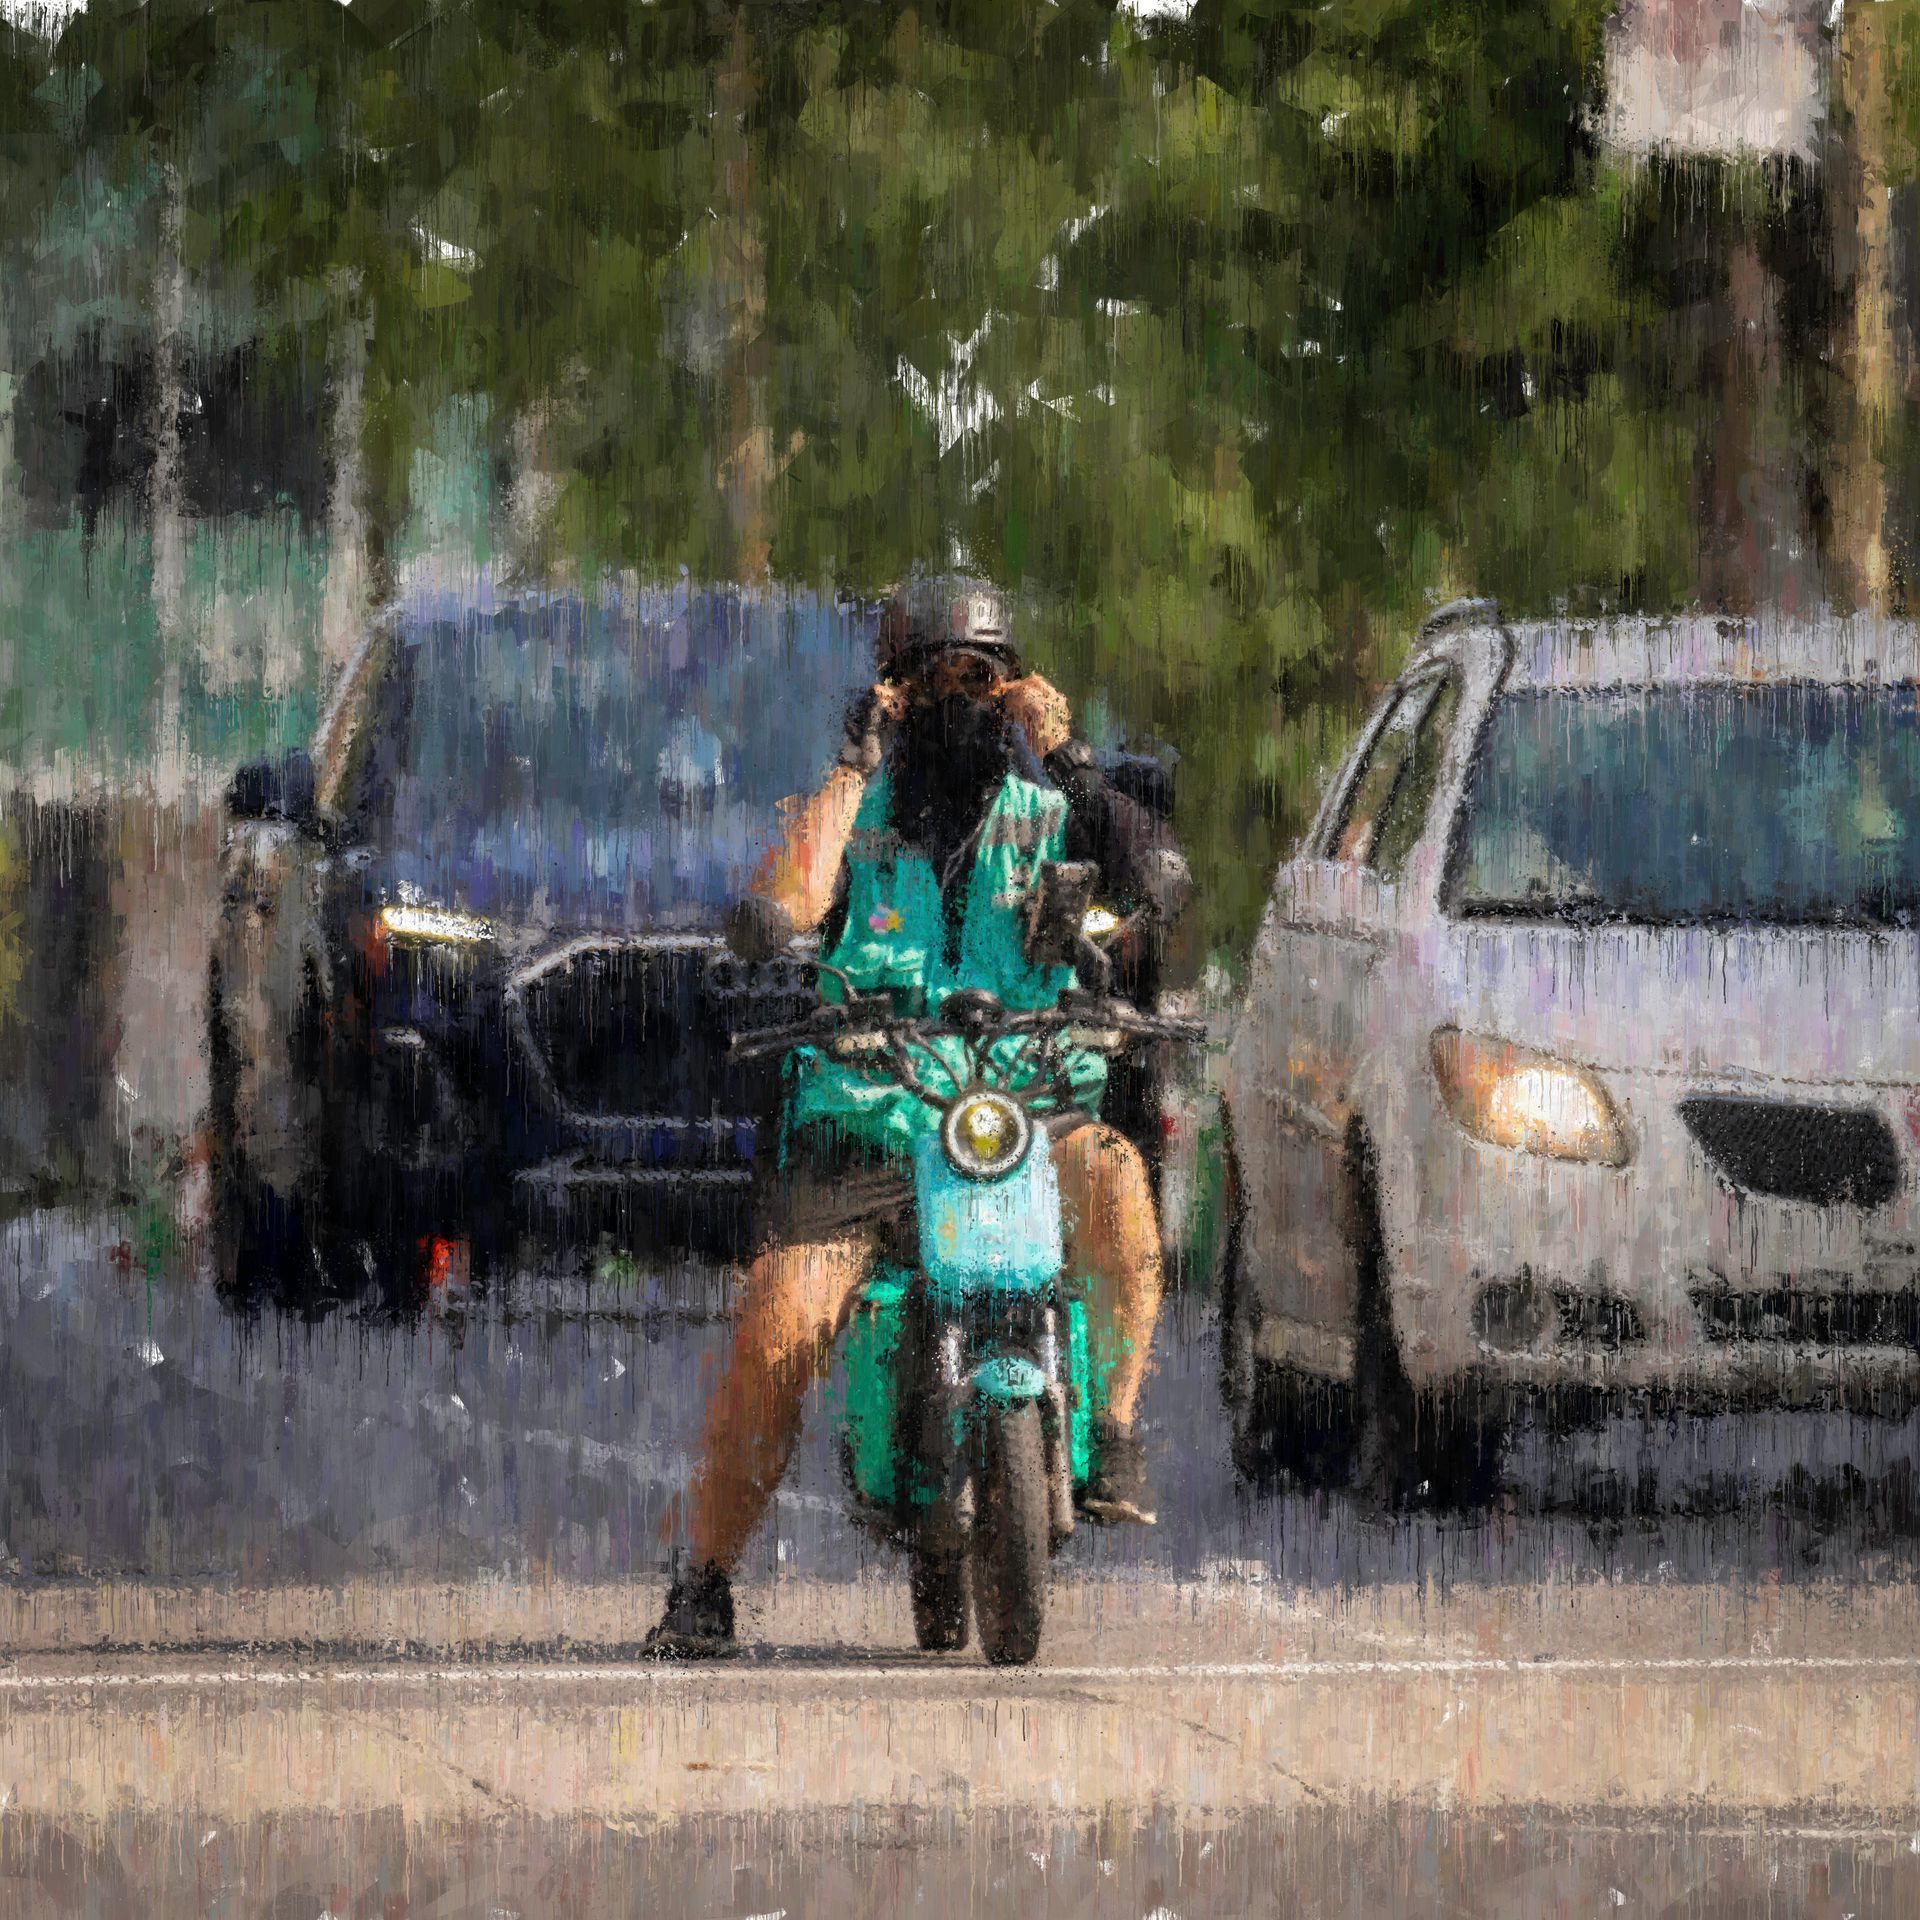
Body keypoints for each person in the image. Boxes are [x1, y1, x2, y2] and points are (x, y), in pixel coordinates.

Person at [645, 576, 1192, 1657]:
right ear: (893, 694)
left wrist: (1071, 758)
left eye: (981, 678)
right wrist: (856, 759)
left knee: (1122, 1185)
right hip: (870, 1133)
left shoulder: (1052, 820)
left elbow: (1156, 888)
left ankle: (1114, 1431)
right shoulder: (855, 820)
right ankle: (702, 1582)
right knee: (781, 1324)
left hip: (1027, 1115)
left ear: (1016, 690)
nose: (961, 701)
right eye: (932, 679)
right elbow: (777, 909)